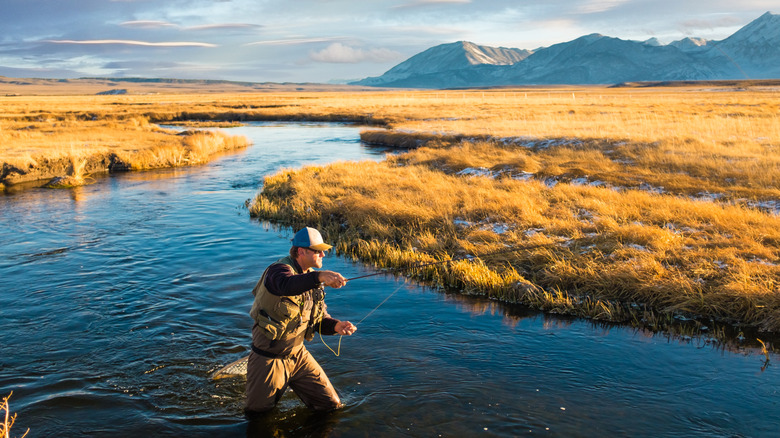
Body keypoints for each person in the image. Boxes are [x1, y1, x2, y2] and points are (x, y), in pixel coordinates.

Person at [244, 227, 357, 416]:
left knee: (331, 406)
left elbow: (318, 319)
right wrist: (319, 276)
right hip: (269, 359)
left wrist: (336, 326)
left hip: (299, 357)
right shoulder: (278, 271)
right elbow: (285, 285)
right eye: (317, 250)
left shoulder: (312, 279)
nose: (323, 254)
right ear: (301, 251)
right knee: (258, 416)